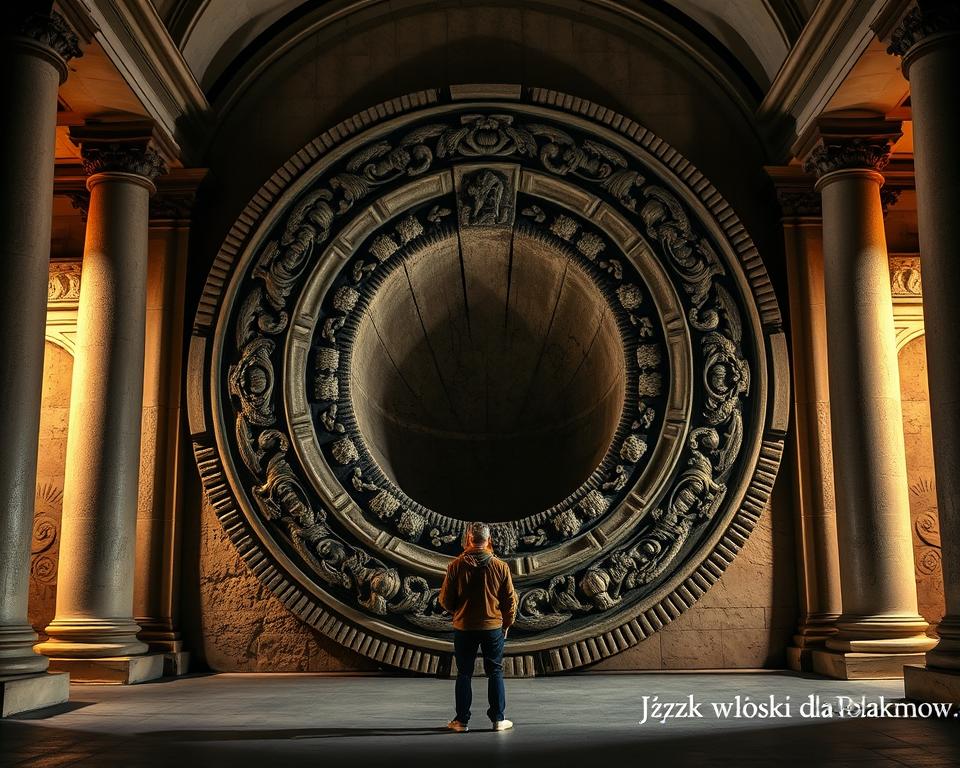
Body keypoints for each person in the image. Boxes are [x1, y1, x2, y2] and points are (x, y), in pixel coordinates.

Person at [439, 521, 517, 732]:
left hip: (464, 627)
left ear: (468, 539)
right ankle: (498, 719)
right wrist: (507, 623)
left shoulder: (455, 566)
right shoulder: (500, 567)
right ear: (489, 540)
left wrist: (459, 611)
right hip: (493, 627)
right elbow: (510, 600)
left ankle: (461, 721)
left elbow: (444, 600)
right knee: (495, 672)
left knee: (464, 673)